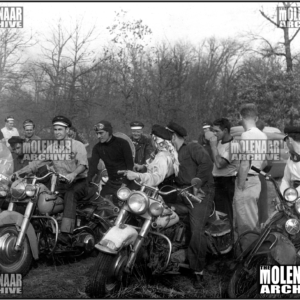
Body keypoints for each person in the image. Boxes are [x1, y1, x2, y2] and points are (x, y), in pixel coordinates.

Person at [15, 116, 89, 243]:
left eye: (60, 129)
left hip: (79, 183)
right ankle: (42, 232)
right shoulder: (51, 148)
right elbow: (36, 163)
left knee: (70, 195)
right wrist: (18, 173)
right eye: (55, 129)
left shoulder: (78, 145)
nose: (57, 132)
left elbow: (83, 164)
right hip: (62, 184)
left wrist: (73, 174)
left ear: (68, 130)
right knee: (41, 197)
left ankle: (66, 234)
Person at [167, 121, 215, 290]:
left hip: (200, 192)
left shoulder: (193, 148)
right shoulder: (170, 153)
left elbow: (207, 164)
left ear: (173, 136)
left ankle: (198, 271)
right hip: (181, 192)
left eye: (168, 137)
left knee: (196, 230)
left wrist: (197, 184)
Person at [233, 104, 267, 252]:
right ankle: (254, 255)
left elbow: (245, 162)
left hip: (246, 182)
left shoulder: (246, 135)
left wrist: (240, 185)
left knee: (244, 225)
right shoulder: (263, 135)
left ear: (240, 117)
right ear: (256, 118)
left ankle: (249, 259)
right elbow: (264, 161)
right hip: (256, 180)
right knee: (253, 221)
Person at [87, 121, 134, 203]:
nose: (98, 136)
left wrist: (124, 184)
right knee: (100, 203)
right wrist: (88, 180)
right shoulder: (97, 148)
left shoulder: (122, 143)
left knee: (127, 206)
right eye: (97, 133)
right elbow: (93, 166)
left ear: (109, 132)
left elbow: (130, 165)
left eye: (101, 133)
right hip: (112, 181)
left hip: (127, 181)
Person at [209, 118, 239, 226]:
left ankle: (229, 238)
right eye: (213, 131)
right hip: (216, 180)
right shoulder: (220, 143)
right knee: (216, 212)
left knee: (224, 213)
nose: (214, 134)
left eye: (217, 131)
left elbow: (220, 164)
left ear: (225, 130)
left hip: (226, 181)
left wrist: (213, 147)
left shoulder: (234, 145)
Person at [256, 120, 272, 225]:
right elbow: (269, 161)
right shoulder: (265, 139)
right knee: (262, 199)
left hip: (251, 173)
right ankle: (263, 222)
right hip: (260, 172)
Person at [280, 126, 300, 195]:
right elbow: (285, 180)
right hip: (294, 196)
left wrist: (292, 194)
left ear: (290, 140)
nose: (286, 144)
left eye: (286, 140)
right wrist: (284, 195)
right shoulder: (291, 159)